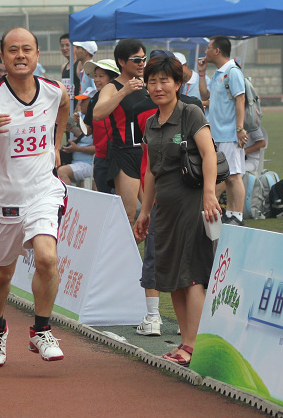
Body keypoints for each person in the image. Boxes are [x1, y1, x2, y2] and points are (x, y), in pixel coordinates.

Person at [0, 27, 69, 367]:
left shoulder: (54, 90)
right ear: (2, 57)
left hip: (42, 191)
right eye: (13, 50)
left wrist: (56, 146)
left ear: (37, 55)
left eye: (27, 49)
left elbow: (64, 109)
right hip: (2, 198)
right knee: (2, 274)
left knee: (47, 258)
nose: (21, 55)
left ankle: (41, 329)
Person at [134, 55, 221, 367]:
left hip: (192, 202)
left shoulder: (190, 113)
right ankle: (184, 341)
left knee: (192, 275)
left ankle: (193, 344)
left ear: (177, 83)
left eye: (164, 80)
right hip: (165, 208)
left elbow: (209, 153)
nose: (158, 87)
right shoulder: (151, 122)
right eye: (152, 81)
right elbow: (151, 172)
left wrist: (210, 194)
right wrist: (144, 211)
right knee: (171, 275)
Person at [93, 39, 148, 226]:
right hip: (125, 153)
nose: (141, 64)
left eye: (143, 59)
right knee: (128, 214)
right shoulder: (112, 87)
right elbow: (98, 113)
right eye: (136, 59)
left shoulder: (147, 84)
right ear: (122, 62)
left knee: (154, 213)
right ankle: (115, 254)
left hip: (148, 154)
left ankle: (149, 254)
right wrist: (123, 92)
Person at [198, 36, 247, 226]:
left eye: (208, 48)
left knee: (234, 176)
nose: (206, 52)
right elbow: (205, 95)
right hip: (217, 132)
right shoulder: (219, 73)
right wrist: (202, 74)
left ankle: (238, 215)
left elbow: (240, 99)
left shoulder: (232, 71)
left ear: (217, 51)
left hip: (229, 133)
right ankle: (232, 213)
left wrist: (239, 128)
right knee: (226, 175)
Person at [82, 59, 119, 194]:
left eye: (101, 76)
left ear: (113, 78)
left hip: (119, 156)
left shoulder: (121, 97)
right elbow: (88, 130)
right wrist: (79, 123)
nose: (96, 80)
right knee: (105, 196)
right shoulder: (94, 100)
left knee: (121, 200)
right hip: (101, 158)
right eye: (95, 76)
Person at [72, 41, 97, 113]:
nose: (75, 51)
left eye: (78, 48)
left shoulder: (91, 70)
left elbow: (95, 93)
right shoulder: (84, 71)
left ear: (85, 52)